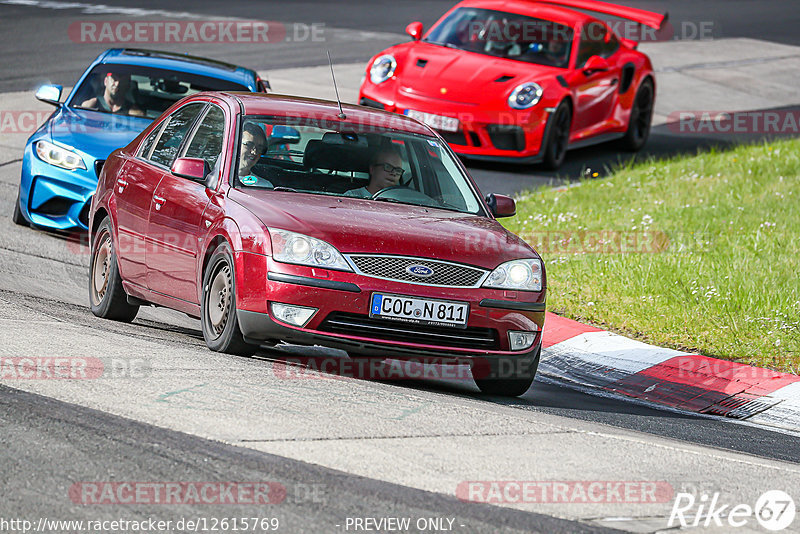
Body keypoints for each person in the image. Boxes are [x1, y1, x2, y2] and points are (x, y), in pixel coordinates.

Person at [238, 122, 273, 188]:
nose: (254, 152)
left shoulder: (264, 186)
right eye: (249, 145)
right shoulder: (215, 181)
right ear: (236, 144)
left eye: (259, 148)